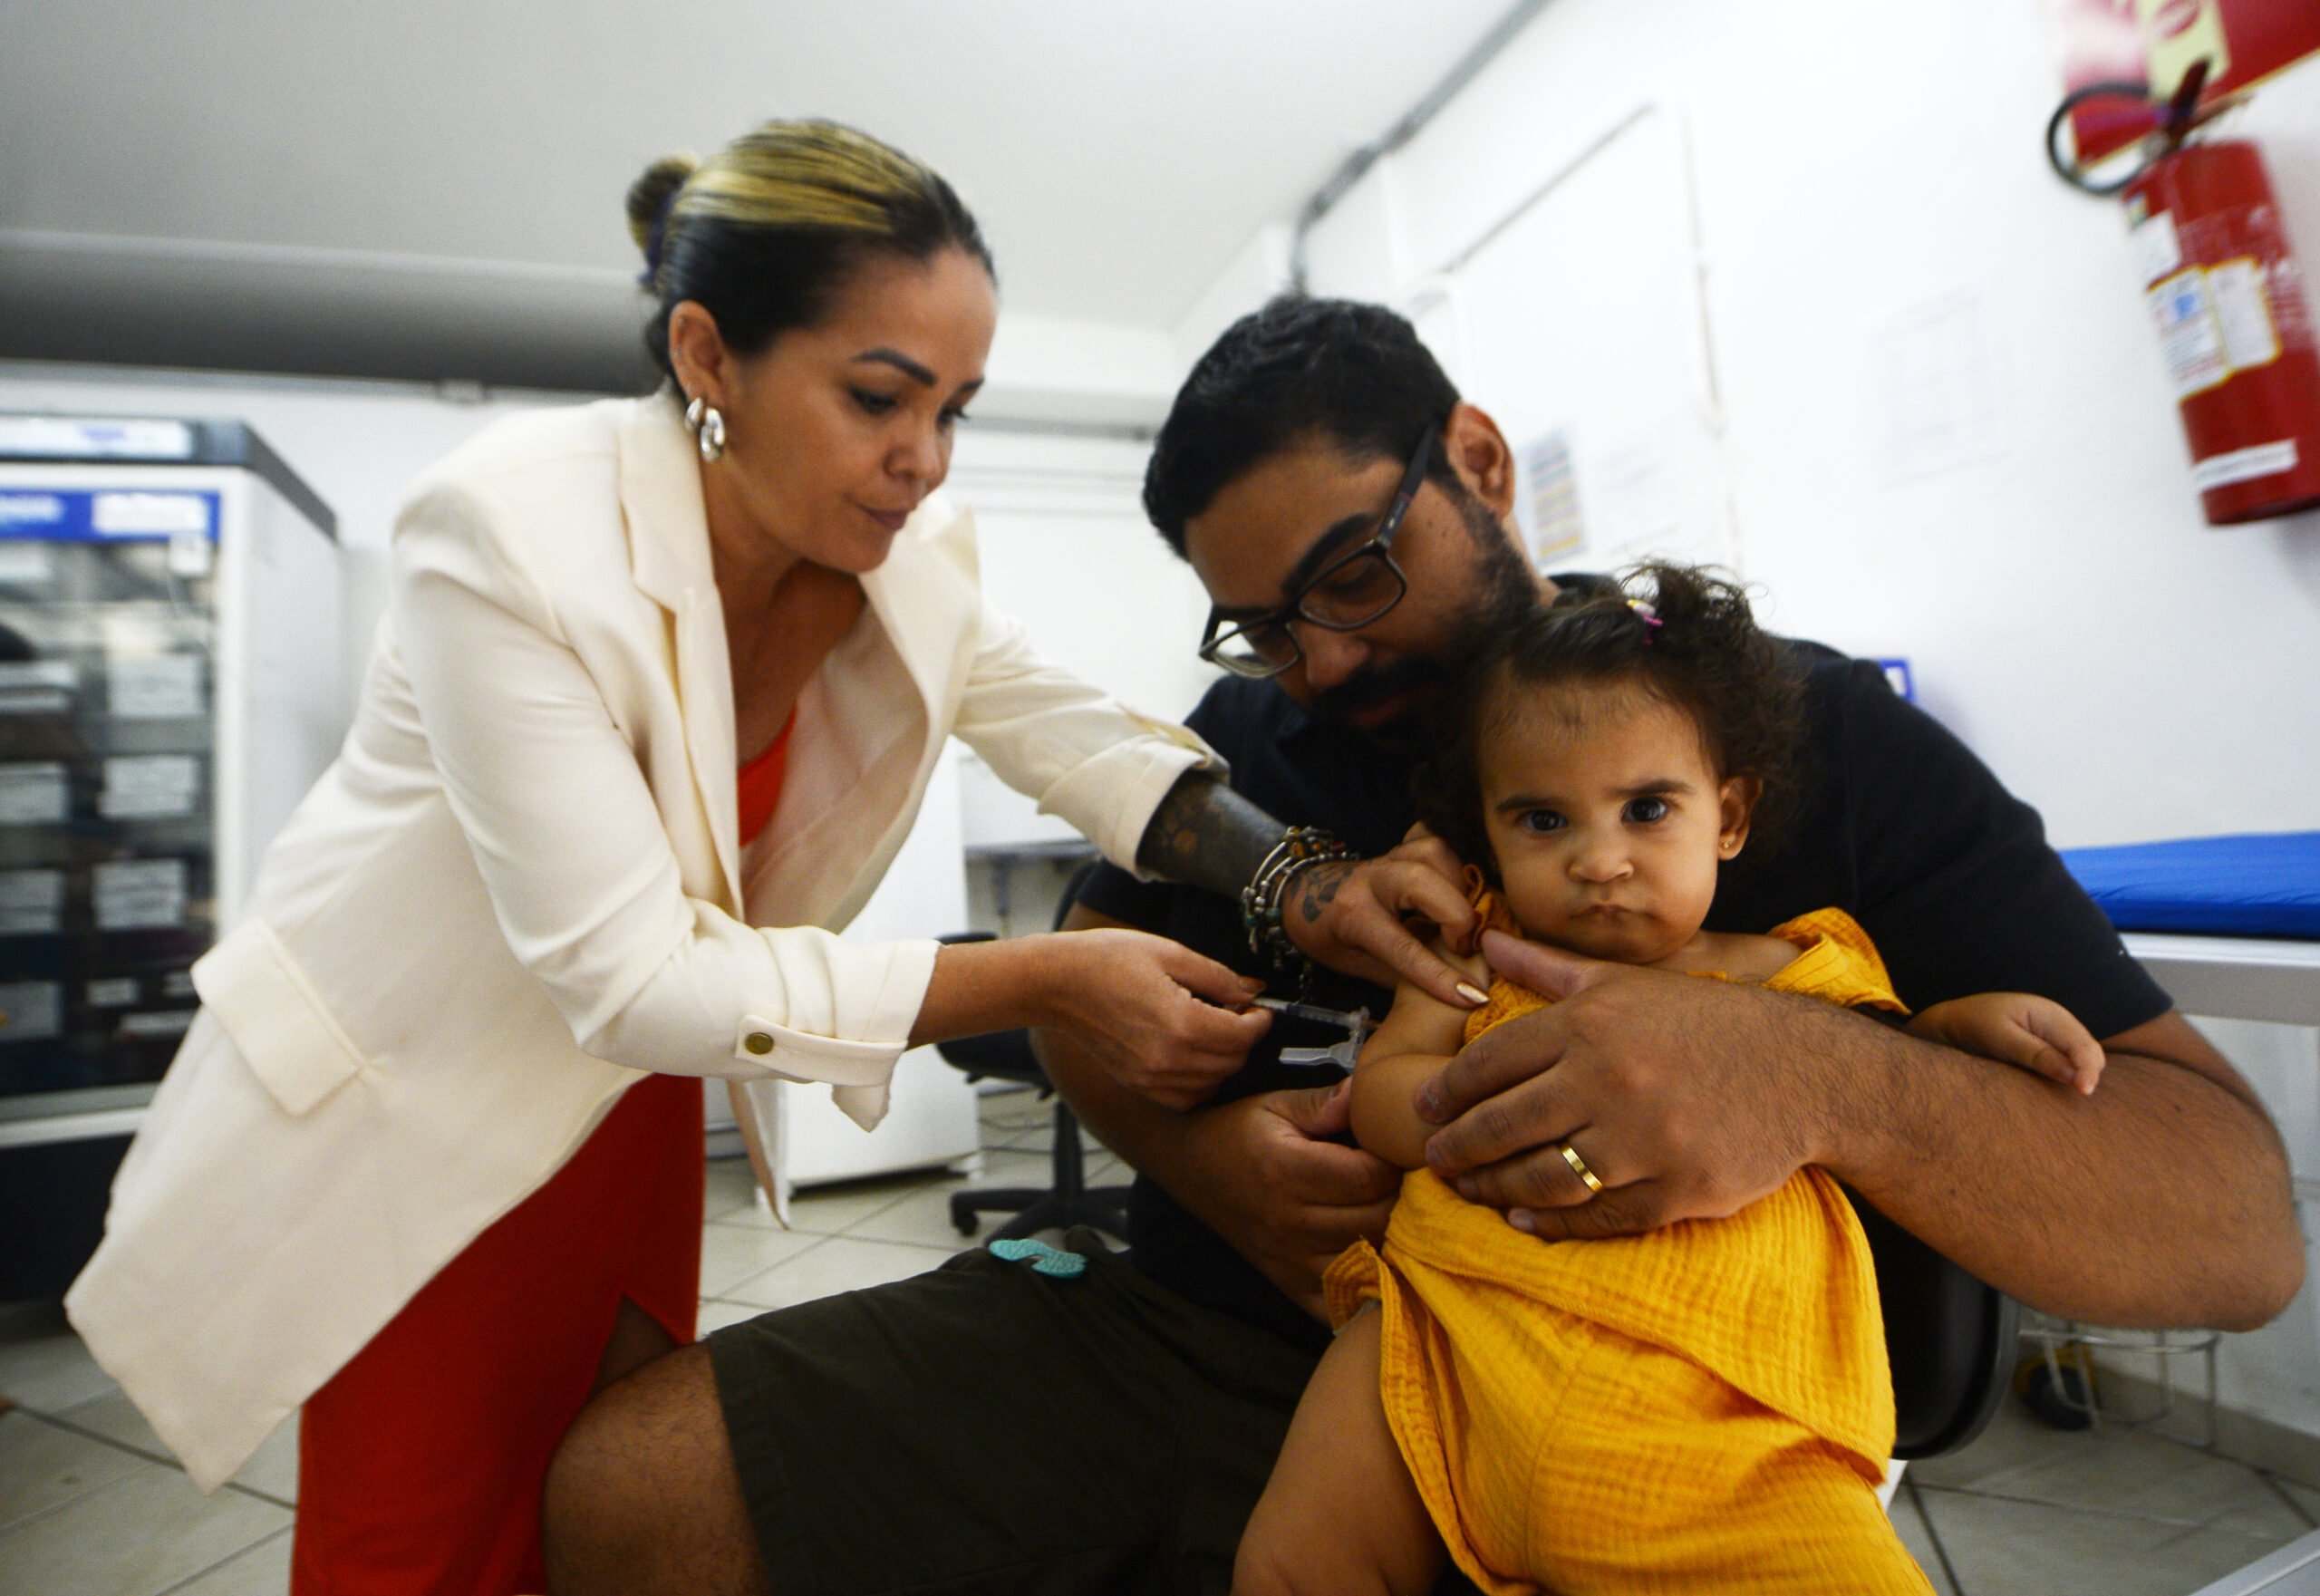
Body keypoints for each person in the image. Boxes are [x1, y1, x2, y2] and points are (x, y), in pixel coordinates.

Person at [542, 296, 2301, 1596]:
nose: (1316, 661)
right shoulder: (1250, 749)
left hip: (1657, 1412)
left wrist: (1826, 1077)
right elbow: (1083, 983)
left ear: (1477, 462)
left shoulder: (1790, 737)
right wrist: (1212, 1163)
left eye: (1353, 574)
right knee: (639, 1485)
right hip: (1220, 1340)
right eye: (1262, 621)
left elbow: (2232, 1223)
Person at [59, 132, 1437, 1596]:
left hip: (624, 1107)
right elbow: (633, 975)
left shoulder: (895, 551)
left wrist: (1299, 881)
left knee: (584, 1498)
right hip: (422, 1095)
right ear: (709, 356)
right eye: (879, 398)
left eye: (955, 410)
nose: (925, 458)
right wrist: (1044, 977)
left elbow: (1067, 731)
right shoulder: (511, 533)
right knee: (422, 1541)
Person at [1236, 565, 2108, 1596]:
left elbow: (1889, 1070)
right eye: (1542, 821)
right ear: (1488, 829)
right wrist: (1480, 1108)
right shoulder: (1479, 951)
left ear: (1728, 816)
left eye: (1646, 809)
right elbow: (1385, 1089)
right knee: (1292, 1567)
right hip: (1449, 1344)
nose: (1599, 860)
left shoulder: (1791, 970)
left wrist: (1967, 1025)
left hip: (1718, 1422)